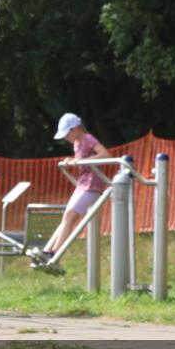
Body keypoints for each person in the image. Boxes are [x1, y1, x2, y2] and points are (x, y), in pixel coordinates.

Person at [29, 113, 111, 266]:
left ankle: (54, 253)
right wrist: (72, 161)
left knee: (70, 215)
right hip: (82, 183)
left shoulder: (88, 139)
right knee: (67, 217)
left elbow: (104, 154)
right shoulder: (76, 143)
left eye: (67, 133)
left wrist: (82, 161)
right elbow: (80, 161)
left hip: (93, 184)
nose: (66, 138)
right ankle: (51, 251)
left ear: (75, 129)